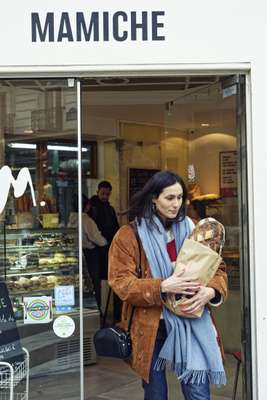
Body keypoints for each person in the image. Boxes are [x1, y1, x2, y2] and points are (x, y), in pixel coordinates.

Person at [108, 171, 227, 400]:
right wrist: (162, 286)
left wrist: (210, 291)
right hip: (151, 324)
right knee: (156, 394)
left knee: (198, 393)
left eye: (180, 198)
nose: (176, 204)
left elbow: (218, 269)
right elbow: (121, 282)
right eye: (169, 198)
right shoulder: (129, 235)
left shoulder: (193, 229)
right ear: (154, 198)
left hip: (191, 319)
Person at [68, 195, 107, 313]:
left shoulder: (71, 219)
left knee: (80, 282)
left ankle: (80, 309)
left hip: (75, 254)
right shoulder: (86, 220)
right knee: (93, 283)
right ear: (87, 206)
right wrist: (106, 241)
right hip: (90, 255)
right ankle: (94, 311)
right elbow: (98, 240)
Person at [90, 181, 121, 322]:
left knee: (112, 280)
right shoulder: (92, 208)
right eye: (103, 193)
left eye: (107, 194)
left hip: (109, 249)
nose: (105, 196)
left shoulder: (110, 209)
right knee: (97, 282)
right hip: (97, 251)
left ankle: (115, 315)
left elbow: (115, 228)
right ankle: (99, 314)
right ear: (97, 191)